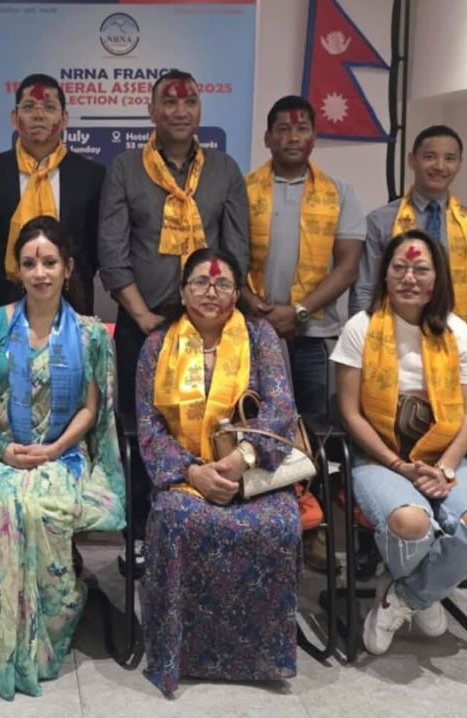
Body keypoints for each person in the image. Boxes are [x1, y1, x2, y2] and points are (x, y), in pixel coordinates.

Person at [0, 216, 124, 699]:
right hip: (1, 450)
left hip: (63, 455)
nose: (40, 273)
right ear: (18, 271)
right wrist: (0, 447)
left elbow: (90, 409)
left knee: (39, 510)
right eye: (29, 264)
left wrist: (54, 449)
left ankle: (46, 631)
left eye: (49, 262)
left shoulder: (90, 334)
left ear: (68, 268)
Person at [98, 69, 250, 574]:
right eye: (169, 101)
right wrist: (142, 316)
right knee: (143, 431)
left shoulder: (225, 170)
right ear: (152, 110)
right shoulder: (125, 168)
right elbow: (112, 251)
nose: (180, 110)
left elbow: (237, 250)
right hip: (143, 325)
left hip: (212, 326)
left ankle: (205, 525)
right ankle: (142, 535)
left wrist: (214, 313)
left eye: (189, 101)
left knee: (211, 426)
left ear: (200, 109)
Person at [137, 248, 301, 694]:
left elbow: (281, 408)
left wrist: (241, 457)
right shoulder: (158, 343)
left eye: (223, 283)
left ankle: (259, 657)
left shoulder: (260, 336)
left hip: (252, 473)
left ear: (237, 291)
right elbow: (149, 427)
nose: (211, 292)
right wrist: (193, 473)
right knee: (174, 517)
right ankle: (180, 652)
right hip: (185, 477)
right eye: (200, 283)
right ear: (182, 291)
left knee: (281, 523)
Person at [331, 229, 467, 655]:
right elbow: (351, 413)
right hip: (379, 456)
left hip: (444, 456)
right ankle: (426, 590)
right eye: (400, 267)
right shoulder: (360, 327)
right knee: (412, 523)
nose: (409, 277)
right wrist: (398, 465)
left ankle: (406, 596)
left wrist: (445, 467)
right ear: (385, 274)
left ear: (437, 277)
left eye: (421, 269)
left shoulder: (457, 331)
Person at [246, 95, 365, 417]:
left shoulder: (339, 192)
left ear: (314, 137)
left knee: (314, 425)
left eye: (302, 129)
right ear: (268, 138)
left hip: (314, 333)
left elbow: (348, 266)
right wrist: (256, 307)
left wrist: (298, 311)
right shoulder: (244, 190)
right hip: (254, 328)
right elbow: (230, 258)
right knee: (254, 418)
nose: (293, 137)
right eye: (283, 129)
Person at [355, 124, 467, 377]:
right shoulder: (381, 221)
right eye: (430, 156)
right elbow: (365, 290)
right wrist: (366, 349)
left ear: (459, 164)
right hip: (389, 349)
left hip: (456, 349)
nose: (440, 166)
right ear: (412, 160)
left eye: (450, 159)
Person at [0, 74, 105, 319]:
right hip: (0, 305)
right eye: (29, 107)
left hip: (72, 303)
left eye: (49, 107)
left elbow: (92, 250)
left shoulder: (91, 176)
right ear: (14, 117)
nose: (39, 115)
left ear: (64, 119)